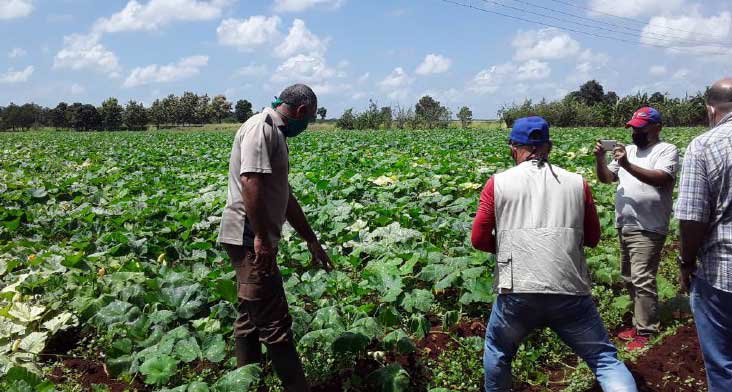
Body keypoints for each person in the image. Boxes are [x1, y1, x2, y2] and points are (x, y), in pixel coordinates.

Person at [472, 116, 637, 392]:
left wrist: (512, 250)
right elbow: (593, 238)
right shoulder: (577, 183)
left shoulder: (497, 183)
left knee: (498, 351)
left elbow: (478, 239)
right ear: (548, 147)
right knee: (604, 360)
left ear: (514, 147)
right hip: (569, 289)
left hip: (518, 289)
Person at [217, 84, 333, 392]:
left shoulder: (276, 134)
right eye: (309, 119)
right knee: (274, 321)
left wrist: (310, 238)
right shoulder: (261, 128)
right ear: (301, 111)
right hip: (247, 235)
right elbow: (250, 181)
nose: (307, 125)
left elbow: (285, 197)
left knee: (249, 314)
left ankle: (248, 382)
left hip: (251, 236)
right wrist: (262, 239)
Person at [594, 107, 679, 350]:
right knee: (629, 278)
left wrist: (627, 165)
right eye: (633, 128)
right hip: (625, 223)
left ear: (657, 128)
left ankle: (647, 331)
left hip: (649, 225)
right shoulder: (628, 151)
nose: (635, 132)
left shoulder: (666, 150)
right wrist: (600, 159)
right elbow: (607, 178)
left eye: (640, 128)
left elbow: (661, 178)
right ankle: (639, 322)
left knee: (642, 278)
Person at [675, 77, 732, 391]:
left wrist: (686, 262)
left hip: (723, 273)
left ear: (711, 109)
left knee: (723, 365)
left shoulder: (705, 145)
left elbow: (692, 219)